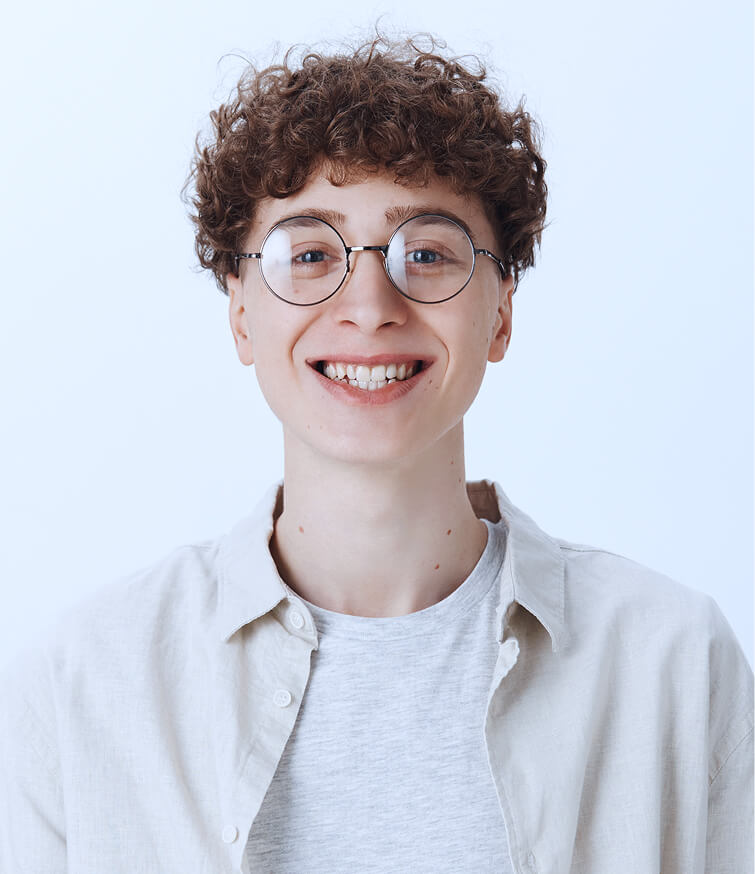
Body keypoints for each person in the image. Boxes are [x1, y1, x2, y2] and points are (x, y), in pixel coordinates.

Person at [0, 33, 752, 874]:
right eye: (309, 254)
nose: (368, 305)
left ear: (500, 312)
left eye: (425, 253)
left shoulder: (672, 662)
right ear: (242, 313)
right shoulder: (82, 685)